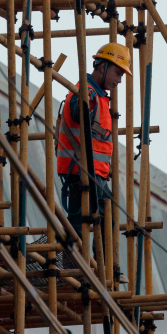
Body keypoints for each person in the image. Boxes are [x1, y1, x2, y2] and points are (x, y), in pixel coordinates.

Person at [56, 43, 131, 231]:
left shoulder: (99, 97)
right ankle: (78, 261)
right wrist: (83, 104)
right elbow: (76, 113)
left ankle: (95, 261)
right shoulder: (86, 92)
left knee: (102, 218)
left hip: (92, 172)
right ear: (103, 67)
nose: (120, 80)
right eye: (118, 73)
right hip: (80, 170)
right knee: (83, 223)